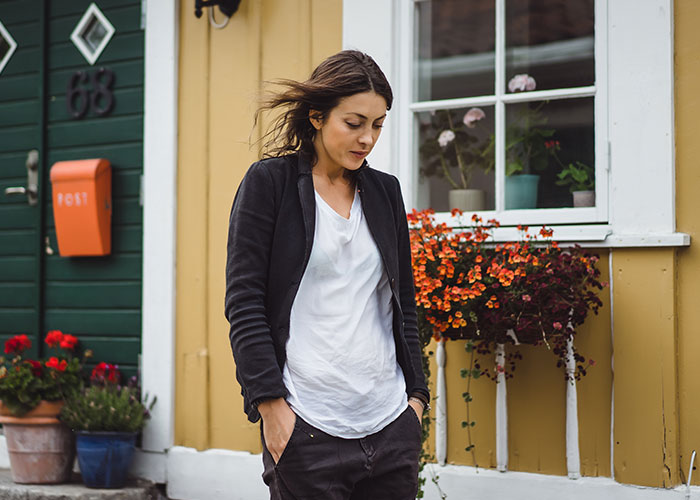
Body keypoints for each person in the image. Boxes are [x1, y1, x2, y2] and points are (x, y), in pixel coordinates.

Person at [225, 50, 430, 500]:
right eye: (354, 123)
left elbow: (403, 303)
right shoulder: (270, 184)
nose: (368, 138)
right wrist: (271, 408)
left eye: (378, 124)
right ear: (317, 116)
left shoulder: (384, 192)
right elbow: (245, 303)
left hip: (390, 422)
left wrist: (416, 400)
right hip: (308, 427)